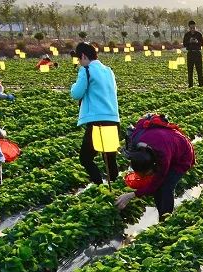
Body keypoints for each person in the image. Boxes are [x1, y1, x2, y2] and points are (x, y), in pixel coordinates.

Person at [116, 115, 196, 219]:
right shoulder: (135, 143)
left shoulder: (162, 155)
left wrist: (131, 195)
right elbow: (141, 123)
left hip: (182, 154)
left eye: (147, 173)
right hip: (166, 141)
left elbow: (157, 181)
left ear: (154, 164)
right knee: (158, 188)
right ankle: (161, 213)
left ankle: (166, 219)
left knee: (166, 187)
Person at [70, 41, 120, 185]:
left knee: (85, 158)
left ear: (84, 56)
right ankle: (115, 188)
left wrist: (73, 85)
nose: (79, 62)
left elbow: (76, 93)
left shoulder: (86, 70)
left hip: (97, 121)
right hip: (112, 119)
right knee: (110, 158)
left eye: (79, 59)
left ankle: (98, 185)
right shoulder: (108, 70)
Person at [183, 20, 203, 87]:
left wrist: (197, 41)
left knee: (199, 70)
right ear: (189, 27)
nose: (192, 29)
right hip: (190, 53)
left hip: (197, 53)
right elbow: (184, 44)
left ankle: (201, 85)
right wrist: (189, 41)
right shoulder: (187, 35)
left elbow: (202, 44)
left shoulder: (199, 34)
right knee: (190, 70)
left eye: (193, 28)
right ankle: (190, 85)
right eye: (191, 28)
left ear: (195, 26)